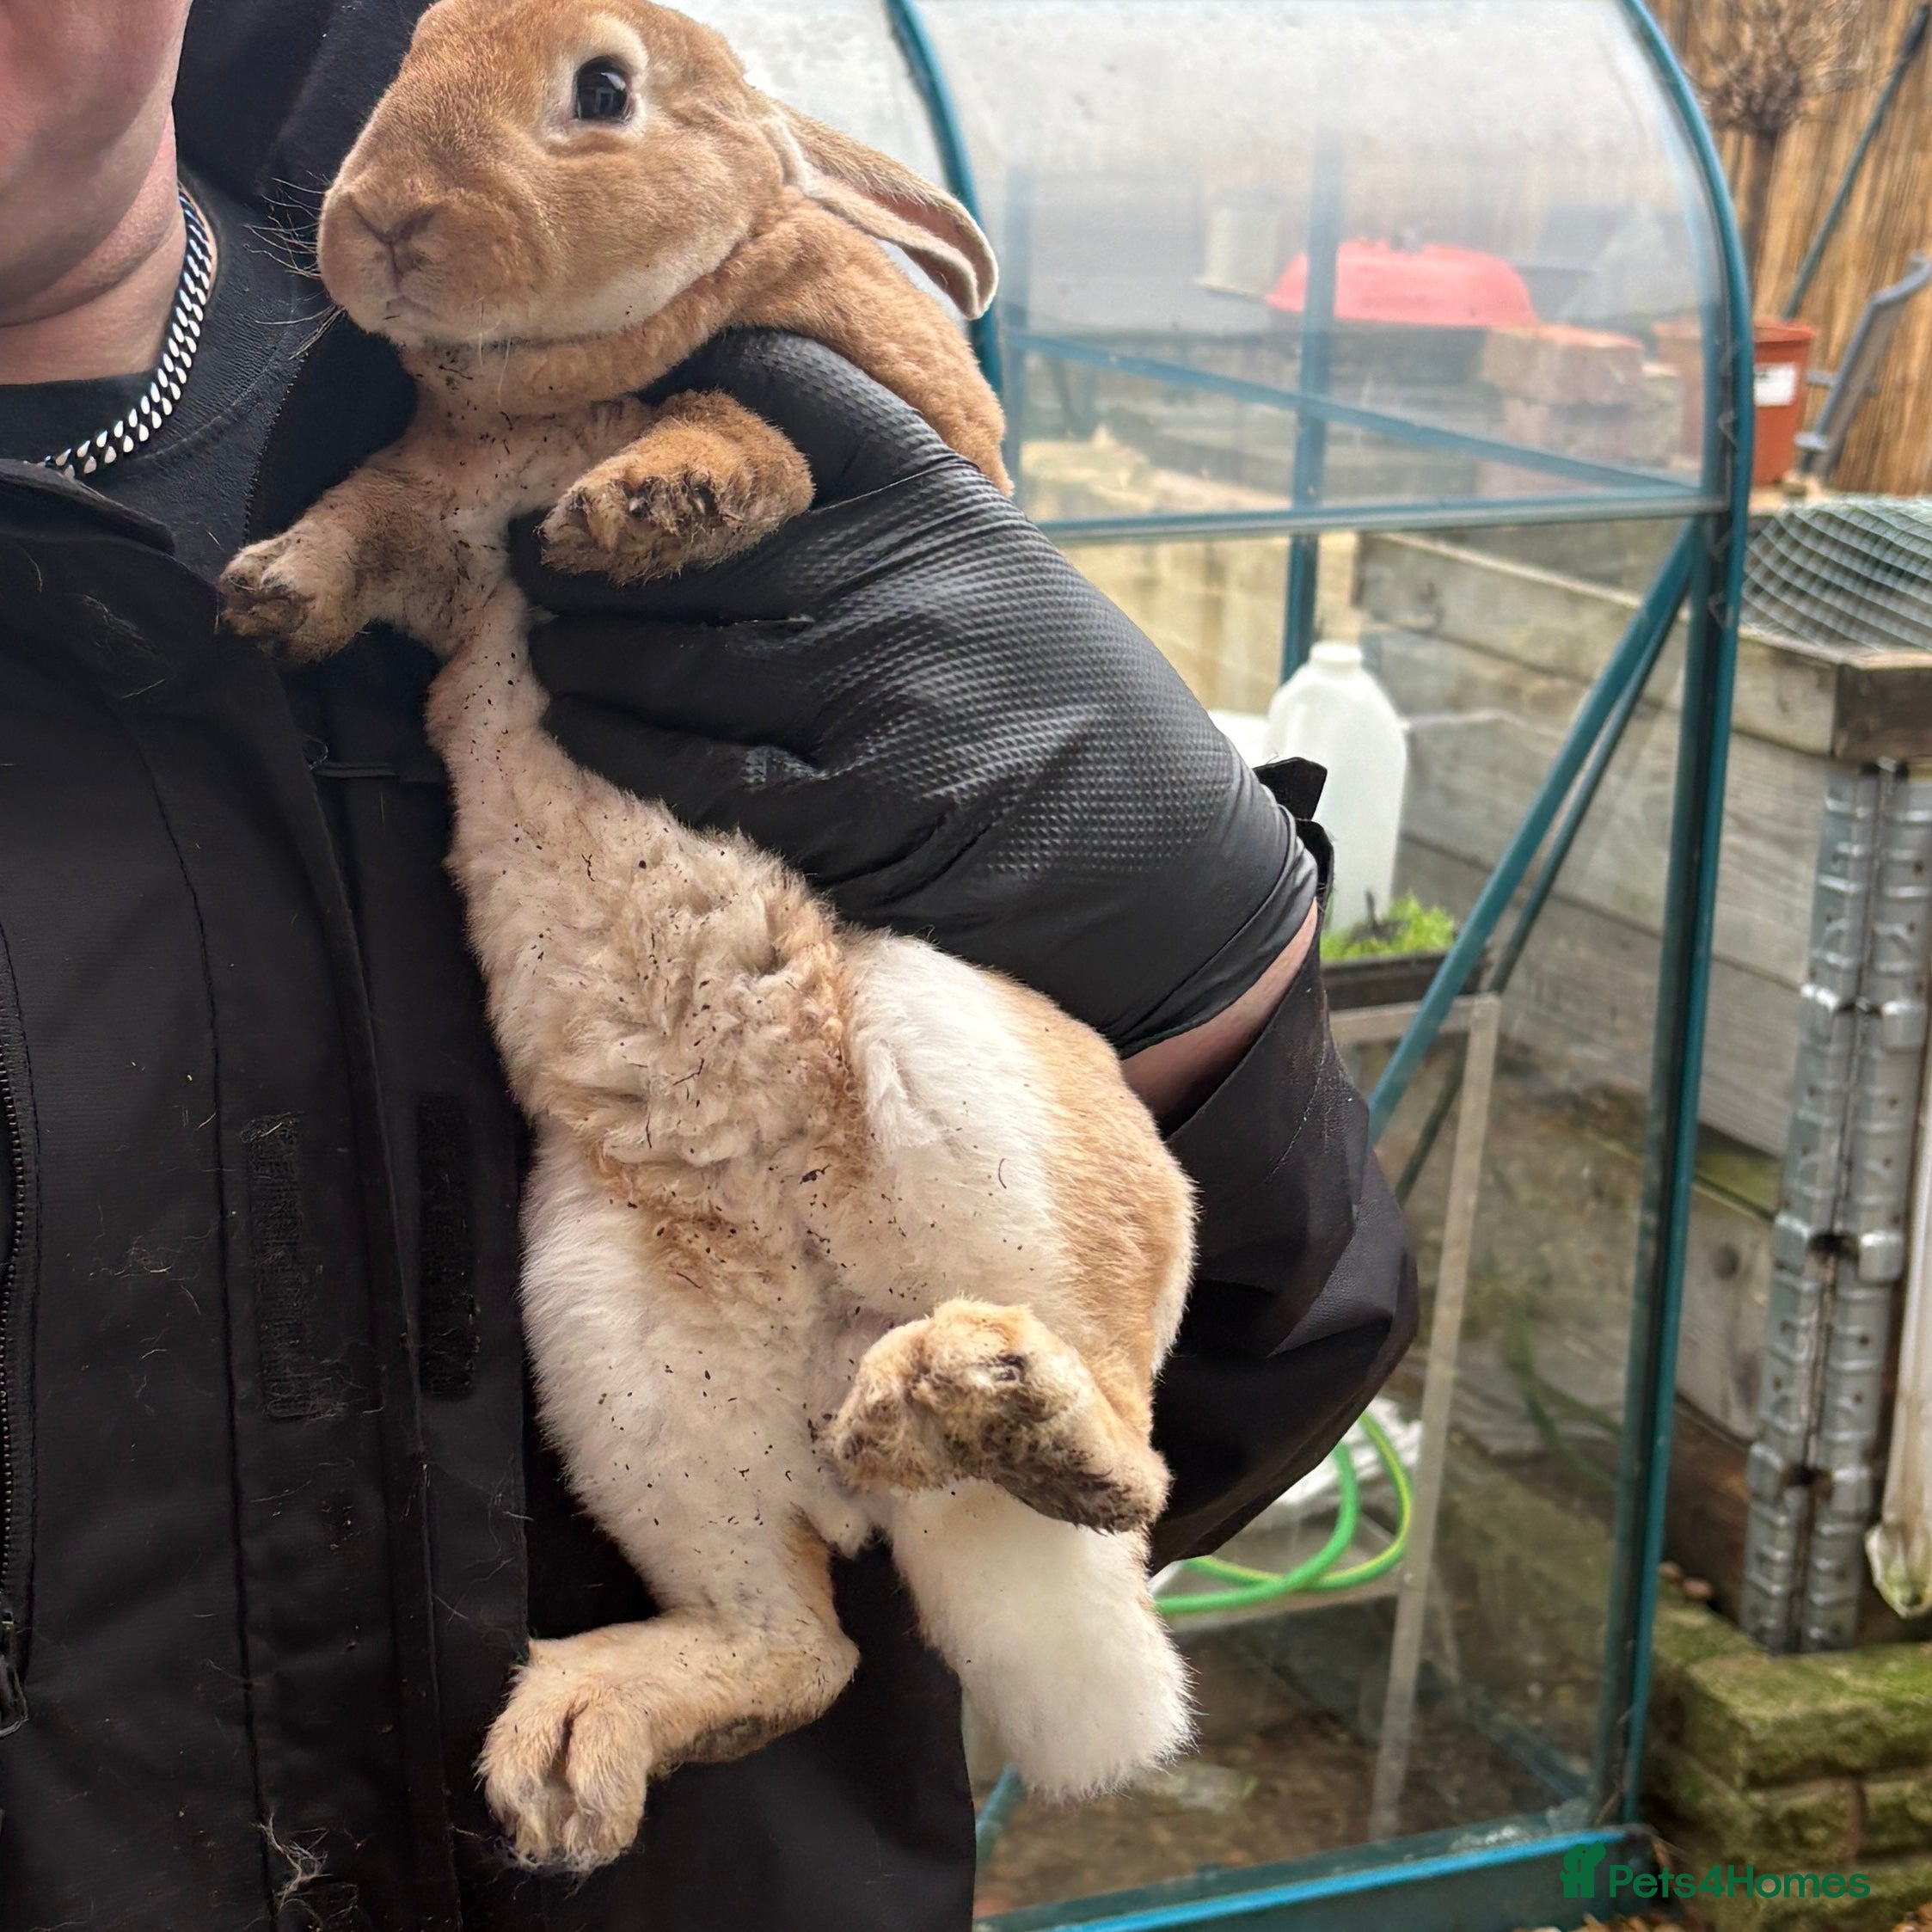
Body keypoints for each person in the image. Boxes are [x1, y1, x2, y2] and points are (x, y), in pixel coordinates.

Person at [0, 2, 1415, 1927]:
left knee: (940, 1115)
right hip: (632, 1212)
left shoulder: (724, 336)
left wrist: (1201, 955)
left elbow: (1277, 1345)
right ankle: (741, 1625)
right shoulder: (422, 419)